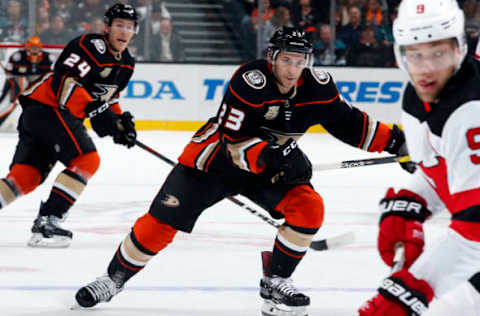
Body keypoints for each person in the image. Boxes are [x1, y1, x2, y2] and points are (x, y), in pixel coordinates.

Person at [74, 26, 408, 316]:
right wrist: (274, 155)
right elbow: (233, 141)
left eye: (300, 61)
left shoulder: (317, 87)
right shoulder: (250, 81)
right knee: (159, 225)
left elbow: (349, 123)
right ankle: (113, 278)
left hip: (265, 168)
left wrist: (396, 142)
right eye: (286, 60)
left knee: (309, 208)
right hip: (212, 163)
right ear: (272, 57)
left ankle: (276, 281)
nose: (293, 70)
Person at [358, 0, 480, 315]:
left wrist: (413, 289)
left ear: (460, 48)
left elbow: (476, 231)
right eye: (416, 55)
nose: (426, 69)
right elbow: (438, 169)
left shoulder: (470, 110)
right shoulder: (417, 97)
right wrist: (413, 201)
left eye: (438, 54)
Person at [0, 3, 138, 248]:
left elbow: (109, 98)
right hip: (49, 109)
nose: (124, 31)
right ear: (107, 27)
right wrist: (93, 109)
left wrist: (119, 124)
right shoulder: (89, 45)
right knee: (87, 159)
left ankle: (45, 223)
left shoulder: (127, 63)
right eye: (119, 25)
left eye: (129, 27)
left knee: (25, 177)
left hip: (42, 115)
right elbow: (64, 81)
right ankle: (47, 224)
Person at [0, 35, 54, 128]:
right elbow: (9, 74)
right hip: (18, 84)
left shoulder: (49, 58)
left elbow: (53, 75)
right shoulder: (18, 56)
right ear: (27, 46)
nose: (34, 49)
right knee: (10, 103)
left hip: (39, 85)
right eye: (32, 46)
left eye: (36, 47)